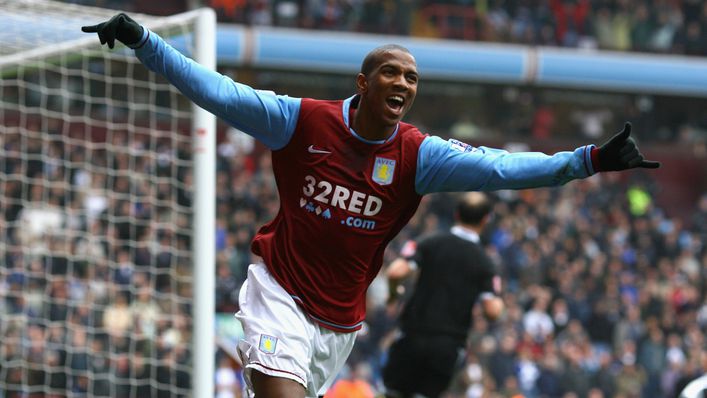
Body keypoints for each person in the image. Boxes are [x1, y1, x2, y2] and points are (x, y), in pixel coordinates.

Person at [82, 13, 660, 398]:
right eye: (392, 71)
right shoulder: (300, 120)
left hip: (341, 324)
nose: (404, 84)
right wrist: (145, 42)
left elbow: (500, 167)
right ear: (363, 81)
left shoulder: (419, 156)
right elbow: (217, 91)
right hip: (278, 292)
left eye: (412, 77)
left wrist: (587, 161)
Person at [382, 191, 503, 398]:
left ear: (456, 214)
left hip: (413, 334)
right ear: (485, 220)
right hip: (448, 345)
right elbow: (492, 311)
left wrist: (393, 296)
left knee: (393, 393)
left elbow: (395, 272)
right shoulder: (485, 262)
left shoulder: (431, 241)